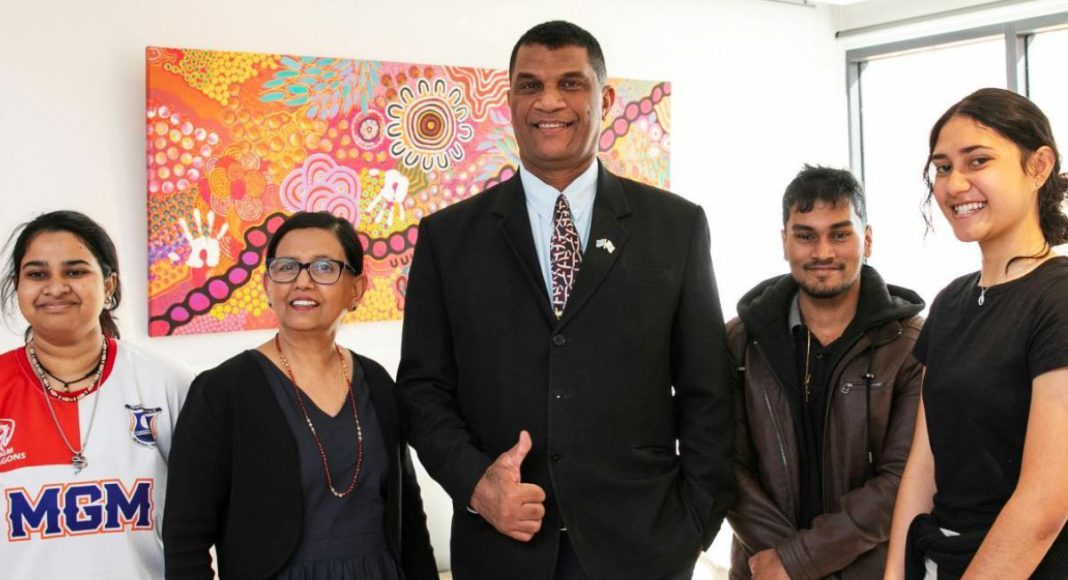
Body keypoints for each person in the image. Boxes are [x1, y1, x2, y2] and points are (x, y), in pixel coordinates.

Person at [397, 20, 733, 580]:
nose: (549, 101)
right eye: (530, 86)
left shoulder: (675, 227)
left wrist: (695, 524)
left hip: (643, 550)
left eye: (571, 84)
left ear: (604, 98)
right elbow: (422, 392)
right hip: (502, 548)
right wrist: (478, 486)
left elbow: (708, 392)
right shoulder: (448, 238)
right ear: (509, 102)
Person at [163, 211, 436, 580]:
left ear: (356, 288)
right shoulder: (222, 391)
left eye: (324, 267)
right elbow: (185, 538)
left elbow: (408, 515)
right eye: (287, 267)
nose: (302, 282)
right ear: (267, 286)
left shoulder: (377, 381)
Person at [885, 88, 1068, 579]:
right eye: (943, 167)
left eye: (978, 160)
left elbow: (1045, 506)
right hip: (941, 558)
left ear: (1039, 166)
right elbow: (924, 463)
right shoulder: (950, 301)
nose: (954, 183)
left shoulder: (1059, 297)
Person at [725, 166, 924, 579]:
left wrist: (799, 561)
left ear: (866, 239)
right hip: (763, 569)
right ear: (784, 241)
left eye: (839, 233)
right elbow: (723, 466)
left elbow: (900, 481)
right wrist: (784, 561)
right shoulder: (740, 342)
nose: (822, 253)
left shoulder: (910, 344)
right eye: (805, 235)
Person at [0, 210, 192, 579]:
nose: (56, 287)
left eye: (75, 271)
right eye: (37, 274)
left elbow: (209, 515)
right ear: (18, 286)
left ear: (110, 285)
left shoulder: (168, 383)